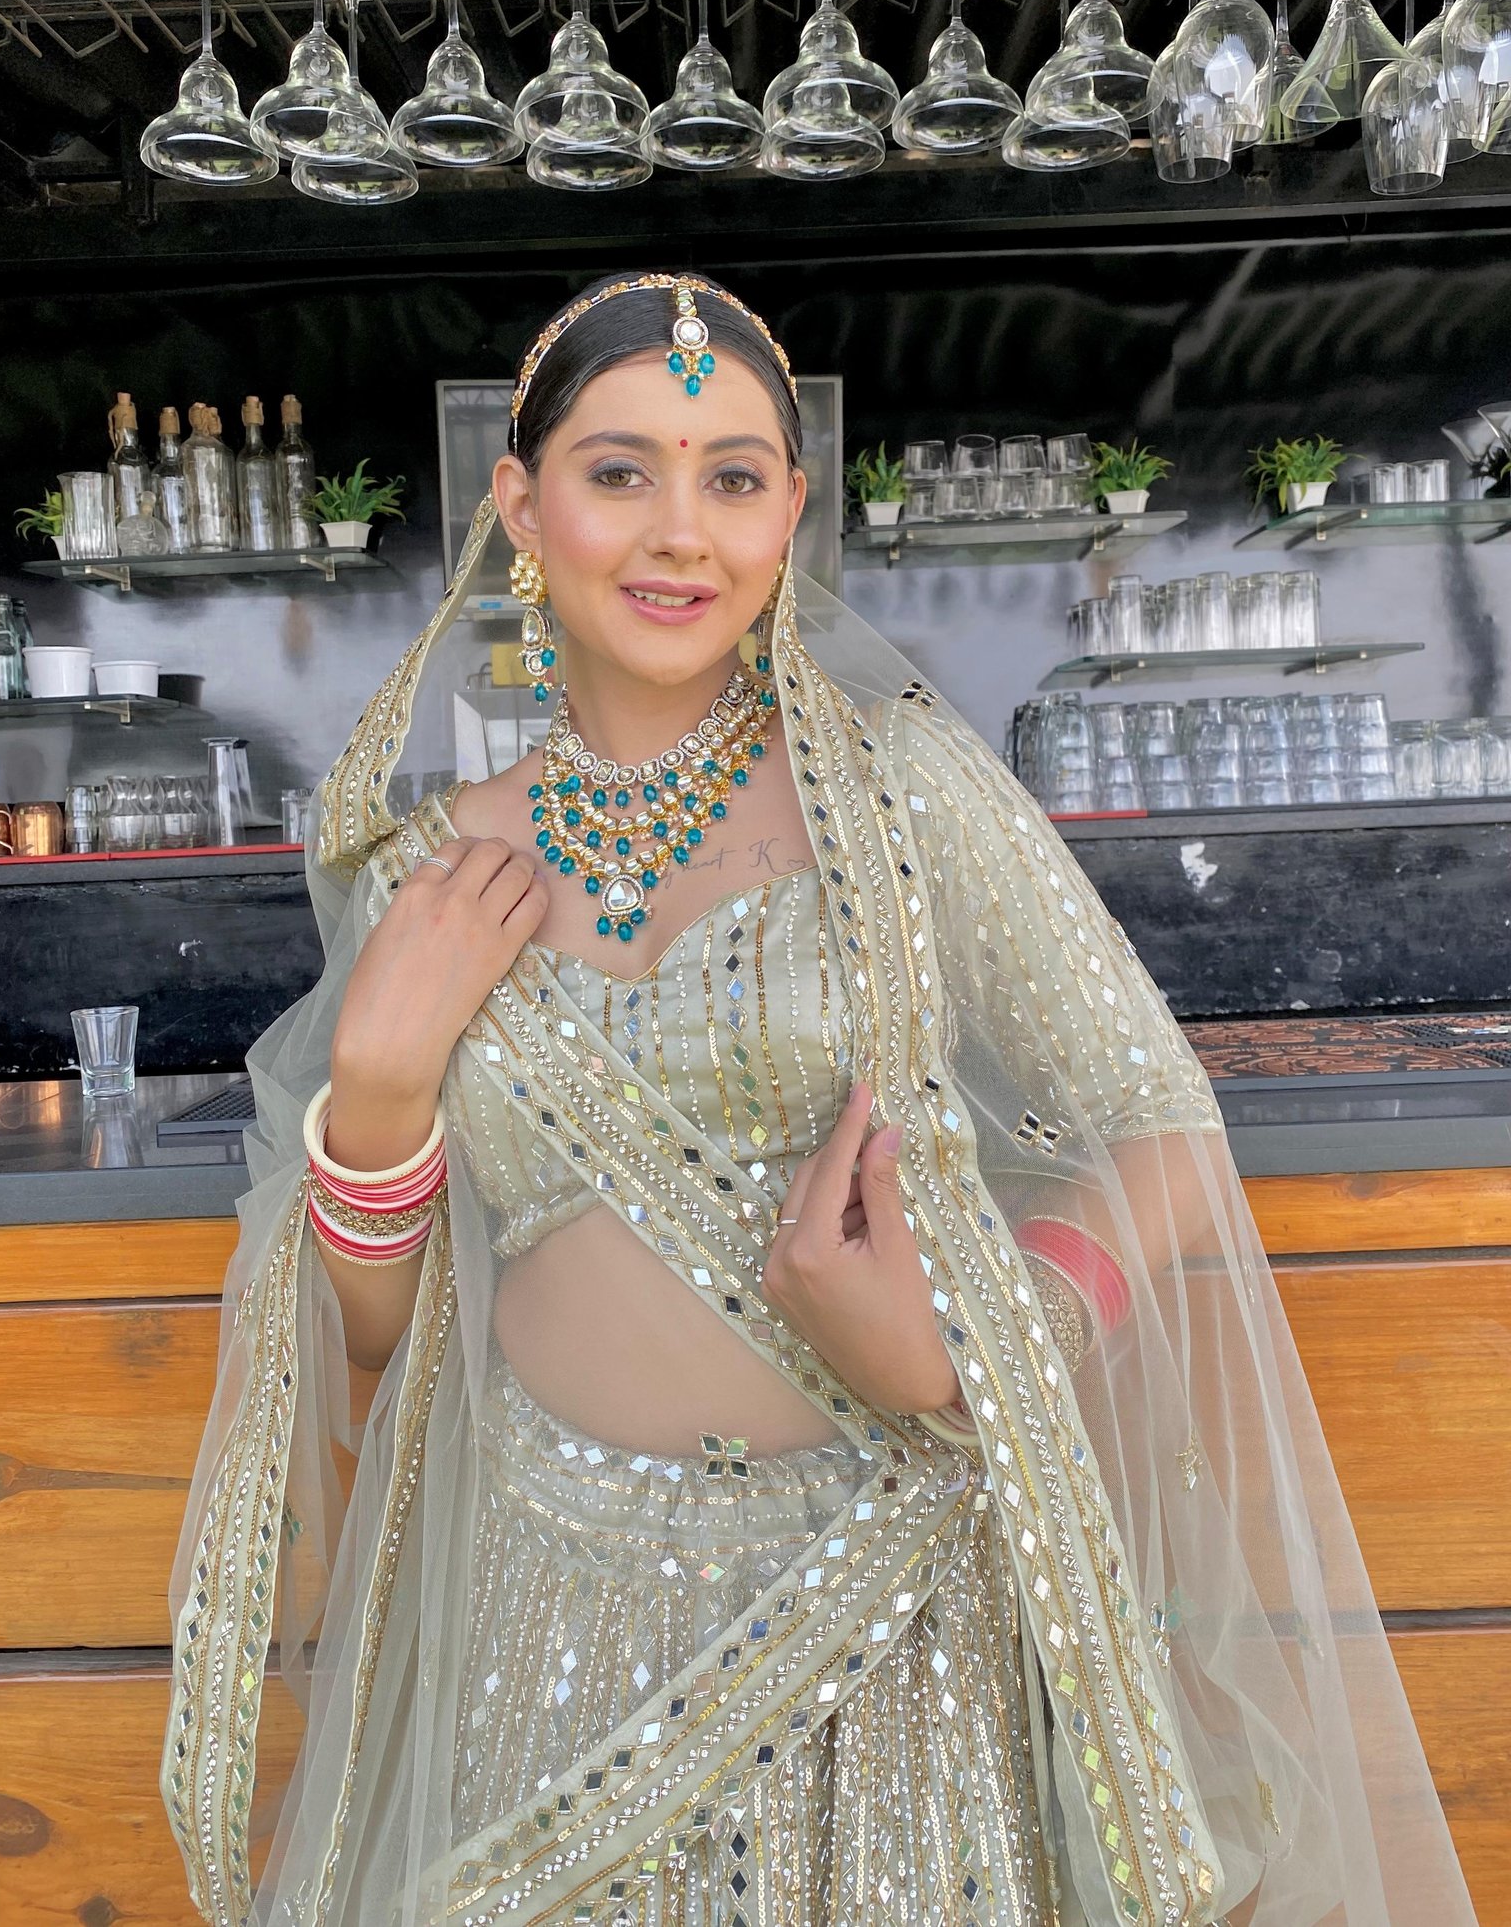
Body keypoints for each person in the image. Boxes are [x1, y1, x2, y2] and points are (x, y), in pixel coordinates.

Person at [162, 273, 1477, 1927]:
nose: (679, 530)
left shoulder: (903, 791)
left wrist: (980, 1337)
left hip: (892, 1608)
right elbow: (375, 1335)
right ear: (521, 505)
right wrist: (376, 1086)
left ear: (791, 511)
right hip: (550, 1630)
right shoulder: (432, 870)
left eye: (731, 477)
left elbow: (1160, 1116)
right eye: (619, 470)